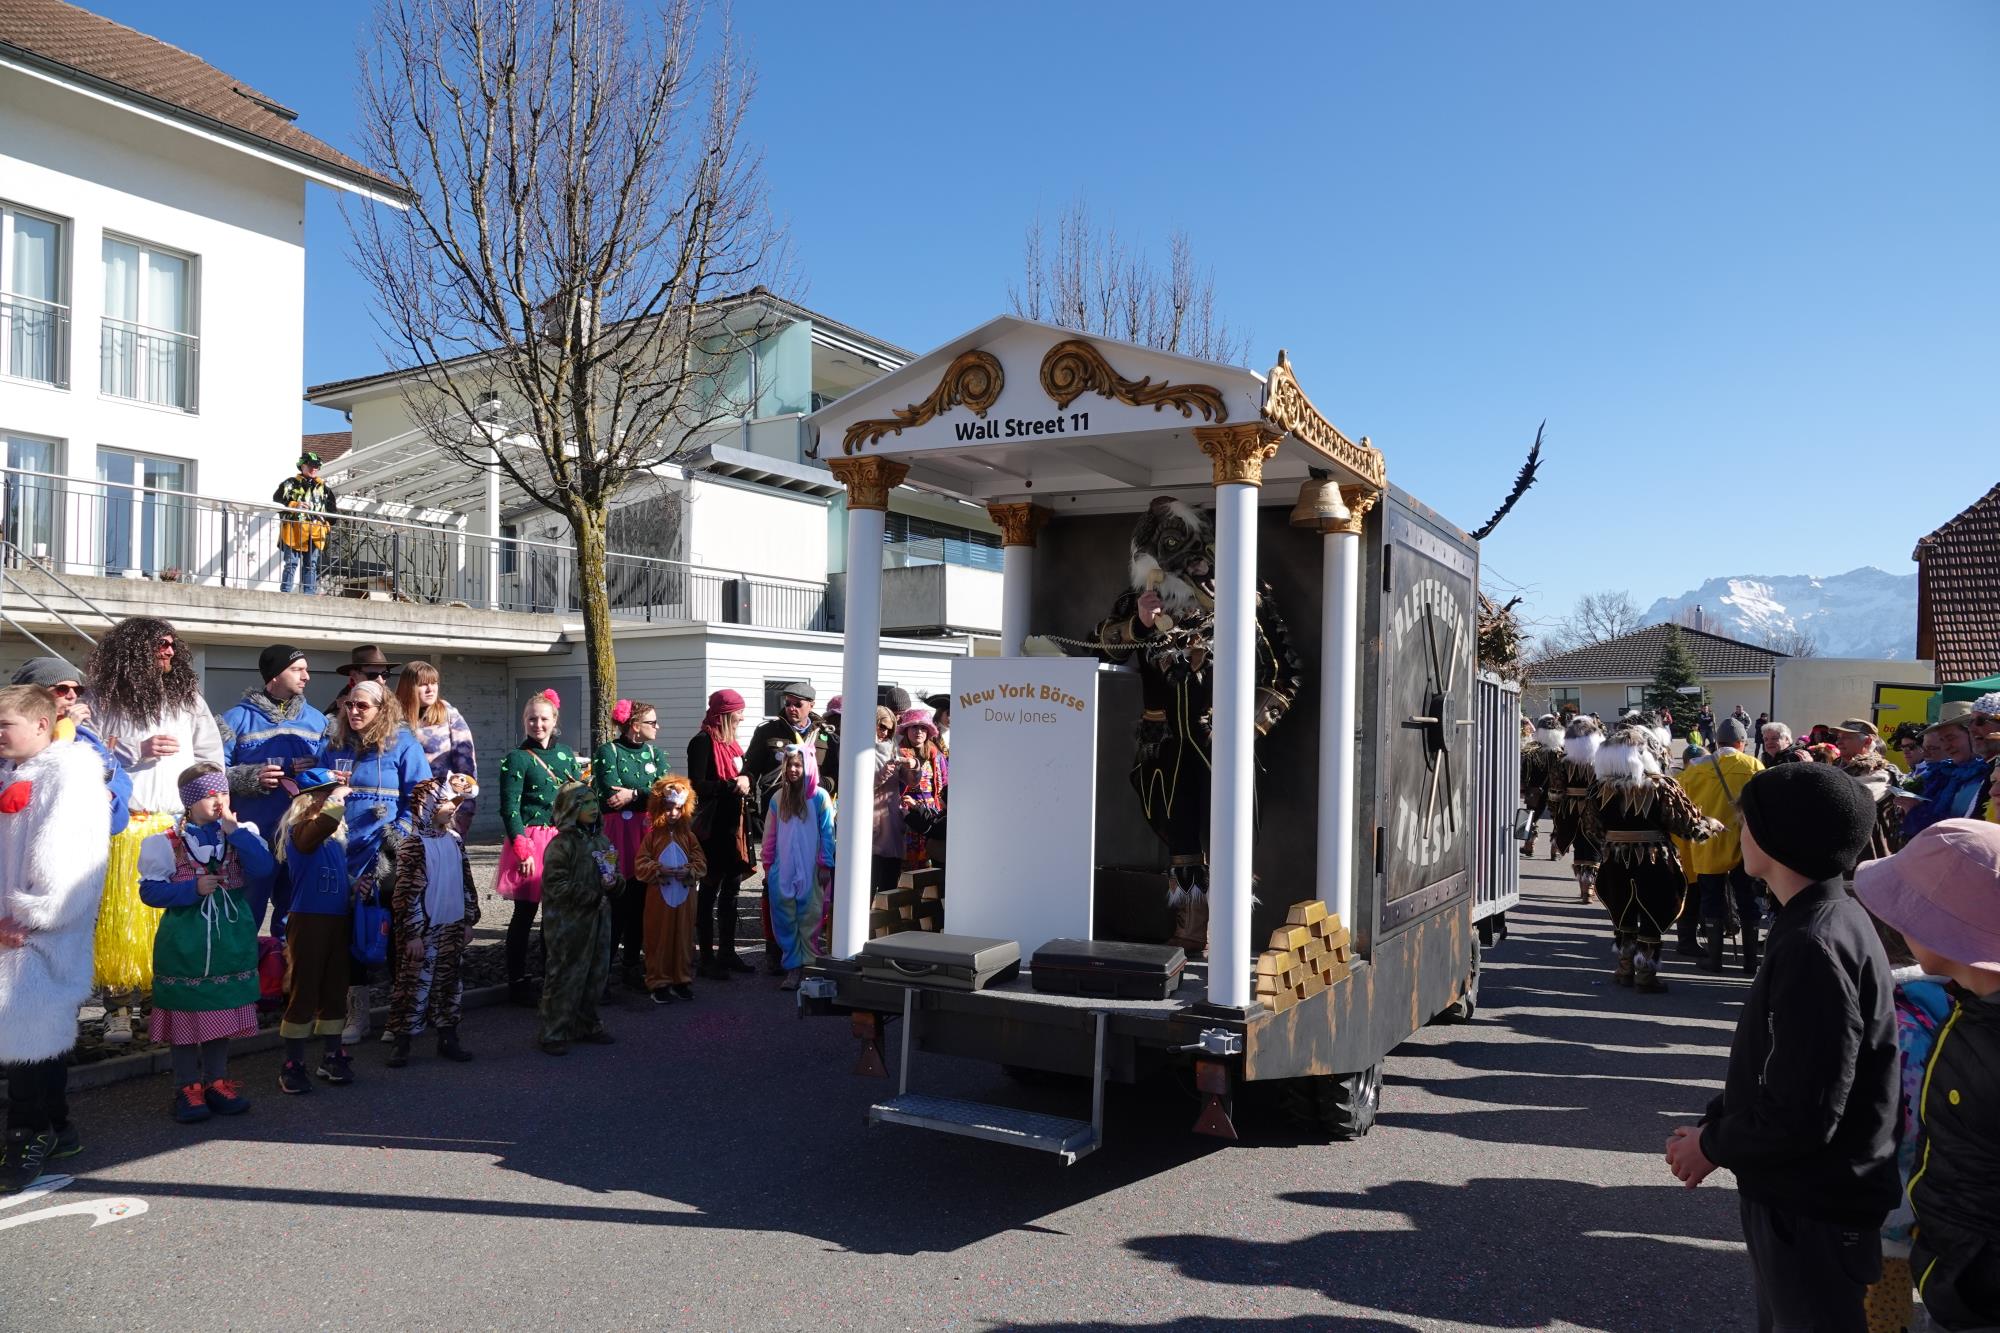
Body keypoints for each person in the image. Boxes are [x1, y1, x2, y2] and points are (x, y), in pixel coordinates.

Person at [1666, 762, 1899, 1333]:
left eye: (1747, 822)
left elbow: (1804, 1109)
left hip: (1812, 1202)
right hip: (1807, 1193)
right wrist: (1717, 1122)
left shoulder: (1814, 943)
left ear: (1779, 838)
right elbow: (1777, 1062)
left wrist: (1713, 1145)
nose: (1739, 832)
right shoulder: (1822, 917)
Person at [1853, 820, 2000, 1331]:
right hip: (1957, 1265)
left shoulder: (1975, 1027)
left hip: (1978, 1283)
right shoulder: (1964, 1005)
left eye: (1910, 909)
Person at [87, 616, 224, 1044]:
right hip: (123, 827)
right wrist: (134, 750)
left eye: (171, 644)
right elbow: (85, 750)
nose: (168, 650)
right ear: (133, 649)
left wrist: (213, 802)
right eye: (159, 644)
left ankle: (157, 1003)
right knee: (119, 923)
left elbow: (210, 756)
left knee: (168, 921)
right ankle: (117, 1009)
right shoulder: (102, 698)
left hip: (174, 827)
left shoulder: (188, 699)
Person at [0, 684, 113, 1195]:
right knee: (34, 1035)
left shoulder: (68, 776)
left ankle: (28, 1133)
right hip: (11, 928)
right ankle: (58, 1126)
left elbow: (69, 859)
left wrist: (34, 915)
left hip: (36, 932)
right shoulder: (17, 772)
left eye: (6, 725)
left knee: (28, 1031)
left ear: (42, 724)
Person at [136, 762, 274, 1123]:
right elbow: (150, 892)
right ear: (189, 801)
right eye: (210, 795)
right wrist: (191, 889)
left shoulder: (240, 833)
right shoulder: (167, 842)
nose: (219, 801)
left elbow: (263, 869)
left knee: (220, 1010)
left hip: (230, 940)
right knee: (186, 1013)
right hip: (185, 941)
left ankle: (216, 1081)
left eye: (223, 792)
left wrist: (235, 832)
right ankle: (187, 1086)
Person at [320, 678, 431, 1043]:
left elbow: (421, 798)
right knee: (349, 933)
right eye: (349, 705)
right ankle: (358, 1014)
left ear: (383, 710)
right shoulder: (335, 744)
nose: (353, 711)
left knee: (393, 930)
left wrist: (395, 836)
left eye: (362, 706)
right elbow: (317, 792)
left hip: (386, 854)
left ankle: (401, 1012)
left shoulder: (404, 744)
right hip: (343, 853)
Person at [1580, 723, 1721, 992]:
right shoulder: (1661, 785)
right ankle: (1645, 975)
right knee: (1652, 914)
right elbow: (1688, 827)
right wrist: (1711, 824)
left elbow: (1591, 829)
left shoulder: (1598, 789)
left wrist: (1615, 838)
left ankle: (1624, 969)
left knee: (1623, 912)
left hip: (1614, 861)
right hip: (1654, 860)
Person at [219, 645, 328, 940]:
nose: (306, 676)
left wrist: (316, 769)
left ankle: (286, 966)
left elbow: (332, 774)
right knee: (244, 915)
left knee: (293, 917)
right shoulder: (234, 719)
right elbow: (213, 773)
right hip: (253, 837)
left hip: (300, 834)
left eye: (306, 669)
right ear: (275, 675)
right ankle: (241, 965)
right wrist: (252, 776)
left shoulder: (319, 721)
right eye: (297, 669)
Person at [272, 769, 356, 1094]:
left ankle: (332, 1055)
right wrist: (336, 800)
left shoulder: (332, 839)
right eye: (324, 794)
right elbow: (319, 828)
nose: (330, 799)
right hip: (307, 921)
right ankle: (292, 1063)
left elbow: (333, 874)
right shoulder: (300, 832)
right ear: (307, 801)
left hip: (336, 920)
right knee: (303, 988)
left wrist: (356, 886)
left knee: (335, 987)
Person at [495, 690, 582, 1004]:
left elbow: (577, 798)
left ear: (555, 720)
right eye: (532, 719)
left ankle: (551, 978)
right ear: (524, 721)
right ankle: (517, 983)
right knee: (524, 914)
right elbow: (510, 808)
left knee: (554, 915)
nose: (538, 724)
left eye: (544, 718)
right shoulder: (516, 759)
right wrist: (522, 849)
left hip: (561, 841)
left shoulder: (566, 755)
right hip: (531, 843)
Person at [386, 776, 479, 1067]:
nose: (453, 808)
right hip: (424, 930)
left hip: (452, 924)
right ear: (426, 806)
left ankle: (448, 1036)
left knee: (449, 983)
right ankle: (402, 1040)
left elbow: (466, 882)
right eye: (445, 803)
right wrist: (412, 933)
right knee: (413, 984)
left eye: (455, 802)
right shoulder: (413, 845)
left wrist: (468, 920)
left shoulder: (455, 840)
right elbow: (405, 893)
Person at [744, 682, 837, 973]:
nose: (792, 708)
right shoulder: (768, 731)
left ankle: (807, 958)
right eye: (788, 702)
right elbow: (751, 766)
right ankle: (777, 953)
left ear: (811, 705)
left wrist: (821, 786)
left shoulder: (826, 734)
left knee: (811, 900)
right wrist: (746, 780)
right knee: (776, 894)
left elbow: (837, 771)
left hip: (812, 814)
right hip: (780, 809)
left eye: (798, 703)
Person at [593, 699, 671, 990]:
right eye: (652, 722)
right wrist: (645, 795)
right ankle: (601, 973)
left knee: (640, 900)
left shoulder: (656, 753)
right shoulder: (608, 751)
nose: (657, 726)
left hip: (646, 832)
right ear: (635, 726)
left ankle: (630, 966)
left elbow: (666, 791)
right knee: (615, 901)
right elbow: (610, 794)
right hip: (617, 835)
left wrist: (635, 794)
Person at [537, 781, 618, 1054]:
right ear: (571, 808)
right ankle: (554, 1032)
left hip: (599, 919)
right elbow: (555, 885)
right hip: (568, 922)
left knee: (596, 972)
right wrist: (591, 896)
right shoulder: (561, 844)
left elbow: (615, 875)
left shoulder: (602, 841)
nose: (593, 808)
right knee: (565, 974)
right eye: (585, 803)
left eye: (595, 802)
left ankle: (587, 1023)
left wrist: (615, 884)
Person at [11, 656, 129, 835]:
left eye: (78, 689)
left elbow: (118, 774)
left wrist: (109, 795)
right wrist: (66, 730)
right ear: (35, 696)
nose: (73, 696)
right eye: (62, 689)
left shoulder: (84, 736)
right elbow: (32, 775)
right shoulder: (14, 736)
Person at [687, 689, 755, 979]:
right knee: (709, 892)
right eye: (738, 712)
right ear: (725, 714)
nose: (742, 717)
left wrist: (747, 779)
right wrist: (731, 785)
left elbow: (746, 774)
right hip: (713, 830)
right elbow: (696, 784)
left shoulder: (732, 745)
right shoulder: (702, 742)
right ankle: (706, 957)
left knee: (731, 891)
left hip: (735, 827)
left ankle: (727, 952)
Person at [761, 746, 836, 991]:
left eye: (798, 765)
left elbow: (828, 833)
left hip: (811, 867)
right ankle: (793, 967)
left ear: (808, 767)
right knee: (784, 917)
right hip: (783, 870)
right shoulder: (777, 798)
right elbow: (769, 835)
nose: (793, 770)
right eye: (789, 765)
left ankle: (809, 966)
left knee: (811, 915)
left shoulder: (820, 797)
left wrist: (825, 863)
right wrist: (768, 865)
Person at [636, 774, 704, 1004]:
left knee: (683, 937)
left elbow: (701, 862)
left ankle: (681, 979)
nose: (673, 813)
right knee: (659, 937)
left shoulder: (689, 837)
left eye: (678, 808)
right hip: (659, 896)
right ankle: (659, 981)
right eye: (668, 809)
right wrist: (657, 869)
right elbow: (641, 863)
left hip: (684, 896)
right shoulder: (652, 837)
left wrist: (690, 870)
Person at [395, 661, 478, 839]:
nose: (430, 689)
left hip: (442, 808)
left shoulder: (448, 714)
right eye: (423, 684)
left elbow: (466, 769)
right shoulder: (393, 719)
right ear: (408, 687)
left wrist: (461, 809)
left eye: (434, 683)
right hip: (402, 808)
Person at [1897, 708, 1989, 841]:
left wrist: (1914, 810)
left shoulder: (1990, 775)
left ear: (1972, 734)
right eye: (1942, 740)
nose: (1946, 746)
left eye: (1951, 738)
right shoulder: (1946, 774)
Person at [1547, 714, 1605, 902]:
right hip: (1595, 809)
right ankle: (1590, 888)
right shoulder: (1601, 760)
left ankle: (1584, 888)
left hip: (1570, 810)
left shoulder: (1563, 761)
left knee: (1579, 845)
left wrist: (1556, 814)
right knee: (1594, 846)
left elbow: (1555, 791)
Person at [1830, 718, 1900, 864]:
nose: (1839, 742)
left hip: (1867, 851)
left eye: (1847, 737)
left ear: (1867, 741)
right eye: (1839, 737)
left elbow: (1853, 799)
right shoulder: (1836, 767)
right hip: (1838, 849)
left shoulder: (1880, 771)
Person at [273, 450, 338, 595]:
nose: (314, 468)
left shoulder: (324, 489)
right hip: (293, 531)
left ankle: (309, 594)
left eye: (317, 466)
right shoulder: (290, 484)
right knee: (291, 563)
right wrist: (294, 505)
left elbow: (333, 515)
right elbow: (276, 500)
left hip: (315, 533)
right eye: (310, 465)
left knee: (311, 565)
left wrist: (325, 524)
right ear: (302, 466)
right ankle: (285, 593)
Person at [869, 706, 914, 896]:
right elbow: (855, 784)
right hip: (869, 816)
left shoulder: (894, 746)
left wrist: (914, 766)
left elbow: (911, 781)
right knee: (869, 876)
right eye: (881, 726)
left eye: (890, 728)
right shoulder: (859, 748)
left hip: (891, 817)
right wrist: (881, 775)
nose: (885, 732)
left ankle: (886, 913)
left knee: (889, 879)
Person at [898, 708, 946, 869]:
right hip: (905, 811)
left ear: (928, 731)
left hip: (930, 811)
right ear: (906, 730)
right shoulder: (898, 754)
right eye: (914, 727)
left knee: (930, 858)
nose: (918, 732)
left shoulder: (936, 755)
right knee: (906, 861)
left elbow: (944, 782)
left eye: (923, 728)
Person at [1519, 714, 1565, 858]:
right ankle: (1555, 849)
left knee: (1531, 817)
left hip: (1535, 789)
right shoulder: (1561, 752)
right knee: (1558, 819)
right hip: (1557, 790)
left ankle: (1529, 844)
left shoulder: (1531, 750)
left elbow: (1525, 772)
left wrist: (1524, 787)